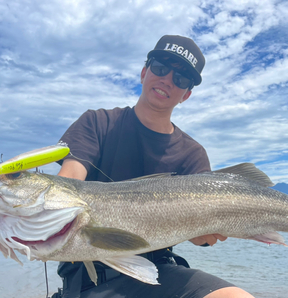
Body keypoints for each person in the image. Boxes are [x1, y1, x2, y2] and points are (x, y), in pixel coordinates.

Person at [54, 35, 254, 298]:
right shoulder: (97, 123)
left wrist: (204, 232)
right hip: (90, 274)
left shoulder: (193, 154)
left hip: (159, 272)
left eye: (181, 79)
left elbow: (202, 237)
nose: (168, 80)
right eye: (161, 68)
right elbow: (67, 184)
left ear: (187, 95)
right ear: (143, 72)